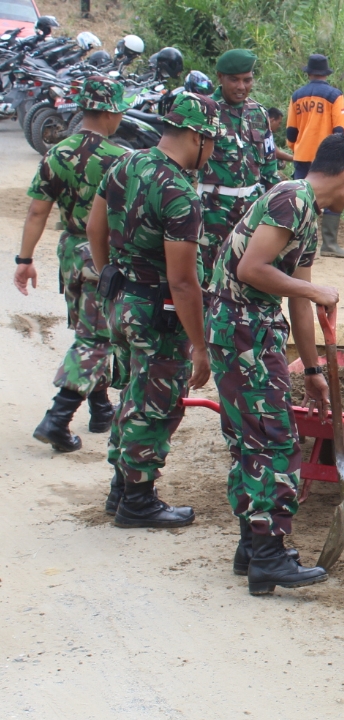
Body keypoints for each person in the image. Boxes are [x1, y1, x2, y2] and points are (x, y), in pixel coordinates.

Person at [206, 134, 344, 595]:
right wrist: (316, 293)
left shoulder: (306, 213)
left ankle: (253, 546)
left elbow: (299, 295)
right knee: (272, 441)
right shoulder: (292, 198)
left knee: (250, 437)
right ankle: (269, 557)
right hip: (242, 331)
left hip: (248, 331)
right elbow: (252, 269)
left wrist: (313, 371)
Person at [86, 92, 224, 528]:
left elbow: (95, 227)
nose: (215, 152)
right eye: (213, 142)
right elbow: (183, 281)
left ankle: (120, 487)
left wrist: (114, 276)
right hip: (156, 312)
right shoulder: (178, 192)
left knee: (133, 395)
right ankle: (138, 501)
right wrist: (200, 346)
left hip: (122, 301)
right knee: (157, 403)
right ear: (197, 137)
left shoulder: (125, 164)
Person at [16, 77, 130, 454]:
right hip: (102, 253)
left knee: (88, 325)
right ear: (111, 111)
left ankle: (100, 409)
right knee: (96, 336)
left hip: (69, 250)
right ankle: (57, 419)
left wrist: (25, 259)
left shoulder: (56, 153)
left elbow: (37, 210)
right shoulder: (119, 159)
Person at [197, 49, 281, 287]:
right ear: (220, 77)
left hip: (251, 205)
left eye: (247, 79)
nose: (241, 86)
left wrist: (274, 202)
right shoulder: (205, 111)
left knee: (247, 271)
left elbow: (268, 163)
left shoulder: (258, 113)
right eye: (234, 79)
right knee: (209, 273)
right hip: (212, 206)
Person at [286, 54, 344, 258]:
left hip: (302, 154)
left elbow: (291, 133)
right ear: (325, 73)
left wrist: (296, 147)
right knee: (333, 195)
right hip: (327, 157)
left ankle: (295, 243)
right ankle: (329, 244)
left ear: (309, 73)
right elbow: (340, 130)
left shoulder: (297, 96)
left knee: (300, 198)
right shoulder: (334, 95)